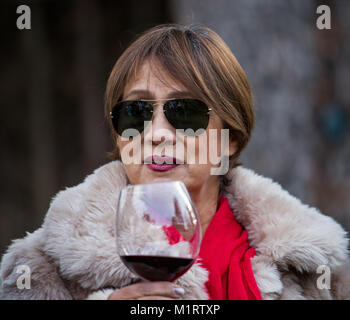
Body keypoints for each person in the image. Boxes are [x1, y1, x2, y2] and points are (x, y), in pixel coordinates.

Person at [1, 23, 350, 300]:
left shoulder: (319, 270)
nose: (156, 133)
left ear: (231, 139)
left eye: (185, 112)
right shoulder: (42, 268)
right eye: (136, 113)